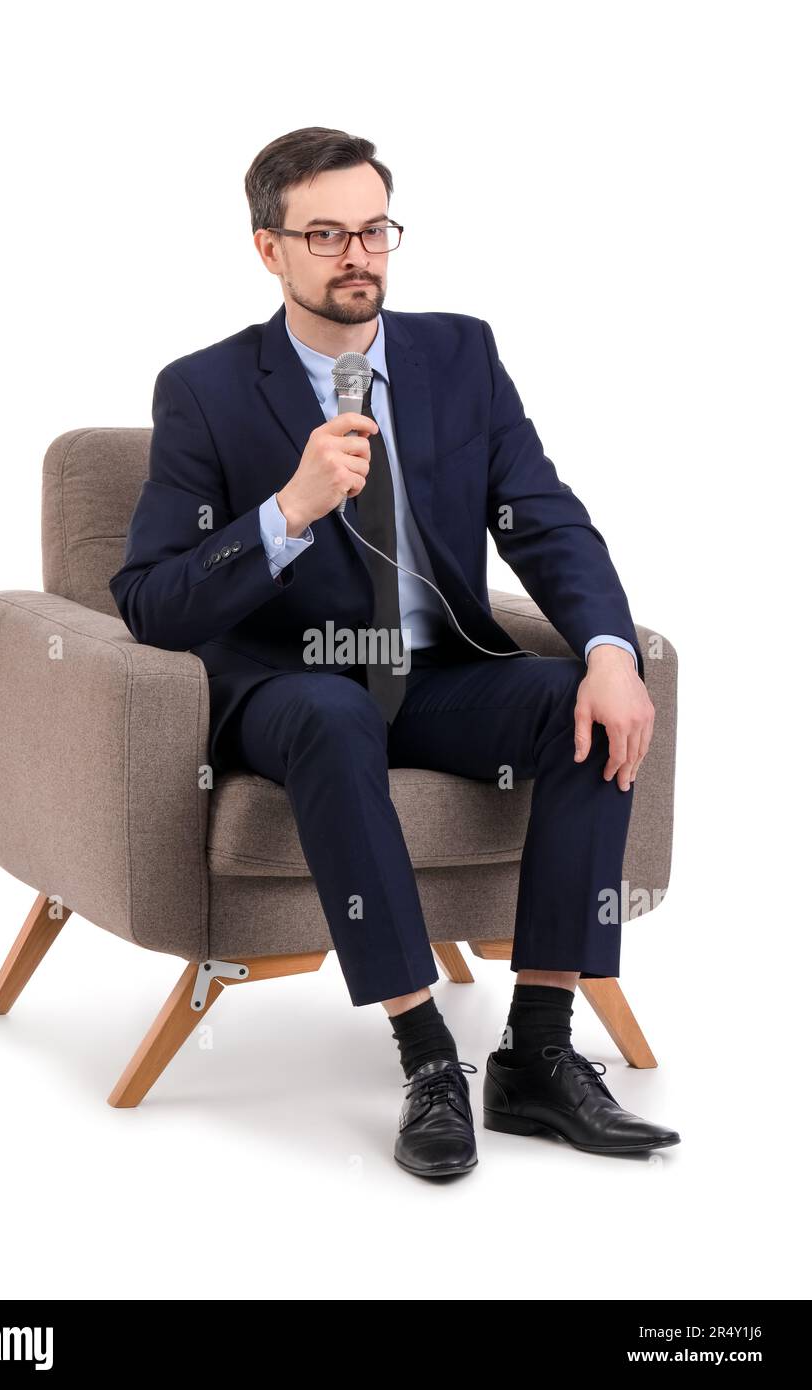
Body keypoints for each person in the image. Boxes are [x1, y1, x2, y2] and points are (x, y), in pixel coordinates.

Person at [110, 126, 680, 1179]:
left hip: (438, 676)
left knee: (586, 705)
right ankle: (426, 1057)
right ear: (267, 249)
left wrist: (608, 647)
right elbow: (149, 599)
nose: (356, 254)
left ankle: (538, 1057)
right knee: (330, 713)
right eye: (324, 233)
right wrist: (288, 508)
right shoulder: (205, 391)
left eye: (373, 229)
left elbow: (543, 518)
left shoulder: (459, 355)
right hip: (291, 680)